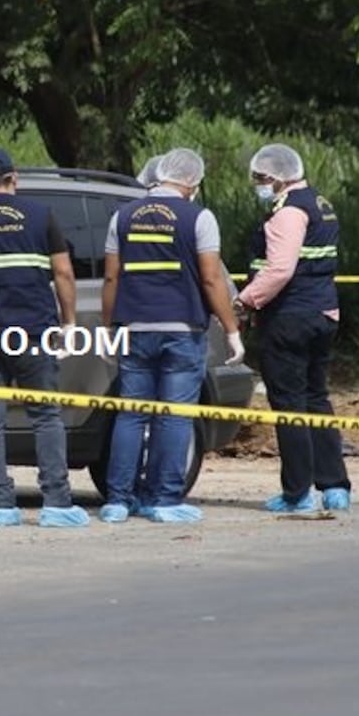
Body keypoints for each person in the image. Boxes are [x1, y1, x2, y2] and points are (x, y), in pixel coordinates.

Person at [0, 146, 90, 528]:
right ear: (14, 178)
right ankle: (56, 502)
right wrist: (69, 322)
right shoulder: (41, 217)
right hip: (32, 332)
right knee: (45, 415)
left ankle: (2, 505)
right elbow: (63, 274)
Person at [99, 148, 245, 524]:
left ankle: (118, 500)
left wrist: (107, 327)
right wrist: (231, 330)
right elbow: (212, 279)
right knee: (175, 416)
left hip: (134, 329)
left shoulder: (123, 216)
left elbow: (112, 277)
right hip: (182, 330)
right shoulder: (199, 217)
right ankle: (163, 500)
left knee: (131, 413)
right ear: (192, 182)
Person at [236, 143, 352, 513]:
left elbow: (280, 270)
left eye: (259, 180)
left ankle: (298, 492)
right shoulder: (321, 204)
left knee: (290, 404)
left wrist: (245, 300)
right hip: (323, 314)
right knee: (316, 399)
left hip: (290, 318)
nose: (257, 187)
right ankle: (335, 487)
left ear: (275, 178)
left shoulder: (288, 212)